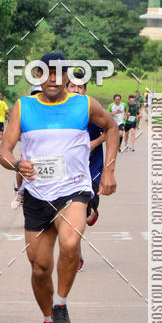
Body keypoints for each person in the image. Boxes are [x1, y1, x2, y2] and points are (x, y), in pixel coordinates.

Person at [0, 53, 118, 323]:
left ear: (68, 78)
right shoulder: (23, 106)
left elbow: (112, 127)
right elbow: (4, 150)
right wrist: (17, 164)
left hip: (73, 190)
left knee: (70, 241)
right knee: (40, 268)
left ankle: (61, 303)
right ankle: (48, 320)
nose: (53, 79)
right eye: (46, 73)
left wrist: (108, 171)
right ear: (37, 76)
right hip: (38, 195)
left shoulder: (83, 104)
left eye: (59, 73)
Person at [68, 78, 106, 270]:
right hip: (68, 171)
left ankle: (93, 213)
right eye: (72, 86)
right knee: (73, 214)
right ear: (66, 89)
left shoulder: (93, 110)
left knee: (86, 214)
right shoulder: (60, 111)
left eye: (80, 87)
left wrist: (95, 143)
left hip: (91, 169)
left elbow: (112, 130)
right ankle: (76, 254)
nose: (76, 90)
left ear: (85, 90)